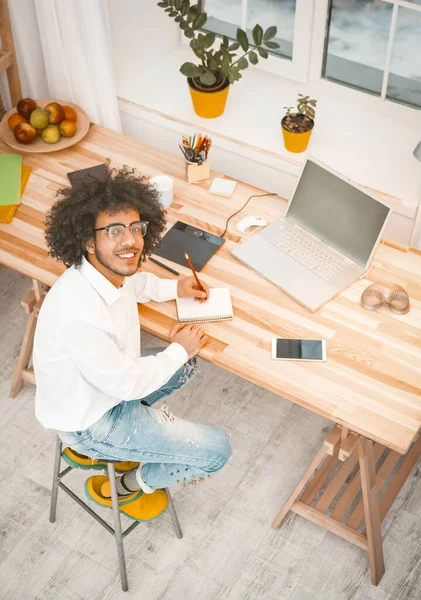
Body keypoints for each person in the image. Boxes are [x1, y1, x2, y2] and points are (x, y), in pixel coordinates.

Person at [33, 166, 232, 519]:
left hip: (106, 388)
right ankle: (129, 483)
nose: (131, 240)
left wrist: (174, 288)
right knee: (217, 451)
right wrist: (178, 348)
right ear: (88, 240)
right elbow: (128, 383)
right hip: (93, 422)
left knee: (185, 364)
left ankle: (143, 435)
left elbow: (135, 285)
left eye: (136, 228)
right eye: (114, 231)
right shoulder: (78, 313)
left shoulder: (102, 270)